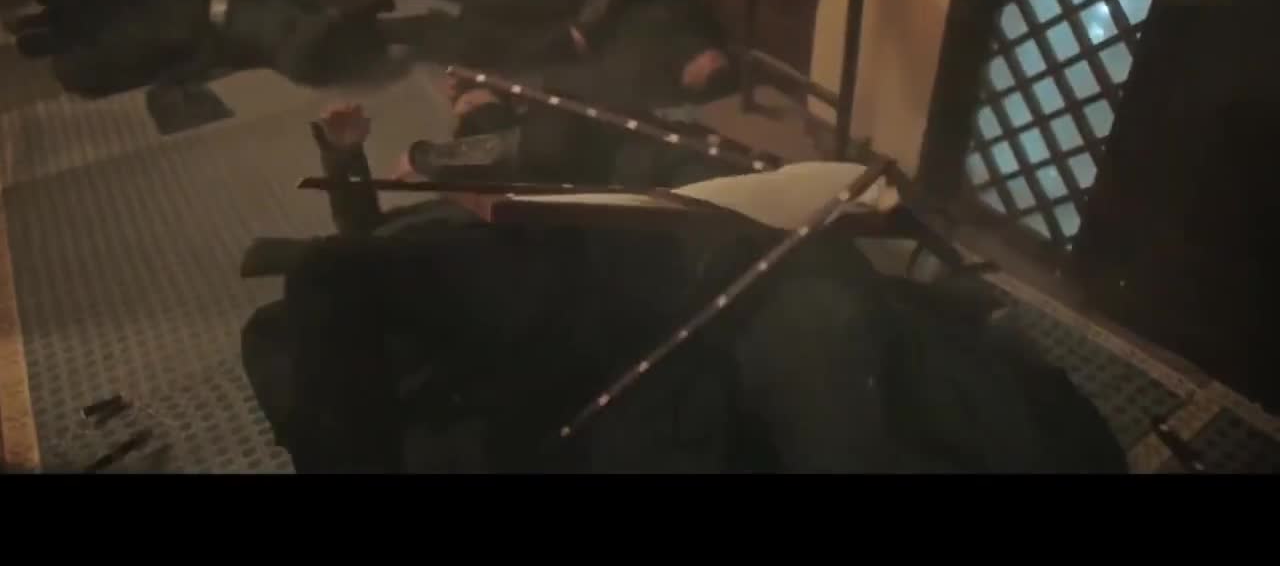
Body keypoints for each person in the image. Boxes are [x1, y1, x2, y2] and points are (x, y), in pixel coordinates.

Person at [239, 105, 1129, 473]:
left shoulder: (541, 172)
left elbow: (357, 261)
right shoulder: (409, 265)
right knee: (834, 352)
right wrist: (350, 162)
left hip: (686, 261)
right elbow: (348, 263)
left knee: (845, 335)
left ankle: (966, 335)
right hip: (651, 321)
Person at [378, 0, 741, 186]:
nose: (706, 68)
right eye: (712, 64)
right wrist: (589, 24)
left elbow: (589, 90)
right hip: (582, 2)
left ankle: (406, 30)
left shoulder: (653, 85)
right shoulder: (685, 13)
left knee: (494, 49)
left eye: (707, 82)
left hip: (566, 51)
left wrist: (498, 90)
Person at [11, 0, 398, 99]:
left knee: (101, 53)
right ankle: (52, 17)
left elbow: (301, 58)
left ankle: (54, 27)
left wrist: (363, 6)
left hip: (202, 28)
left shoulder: (305, 57)